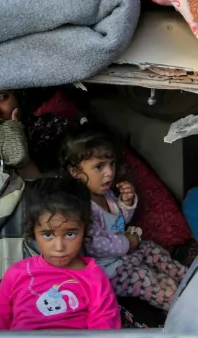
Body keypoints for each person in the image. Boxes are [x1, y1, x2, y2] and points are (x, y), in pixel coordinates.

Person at [62, 129, 186, 311]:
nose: (110, 172)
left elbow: (120, 223)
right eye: (99, 167)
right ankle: (180, 305)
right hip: (110, 270)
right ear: (75, 171)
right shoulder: (81, 207)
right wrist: (127, 242)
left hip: (126, 253)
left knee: (152, 249)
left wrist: (126, 203)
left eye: (111, 164)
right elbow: (94, 244)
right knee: (146, 278)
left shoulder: (108, 196)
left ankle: (188, 277)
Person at [0, 177, 120, 331]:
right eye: (47, 234)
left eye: (70, 234)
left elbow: (104, 337)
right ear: (33, 233)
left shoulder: (94, 278)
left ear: (84, 229)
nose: (59, 247)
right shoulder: (16, 275)